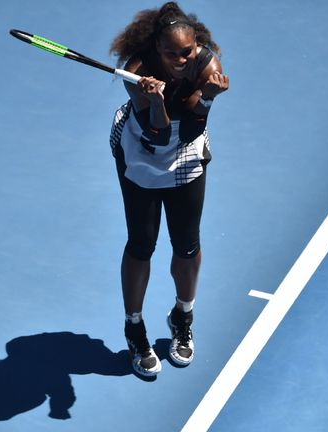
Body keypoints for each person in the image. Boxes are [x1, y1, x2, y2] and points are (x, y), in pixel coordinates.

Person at [108, 2, 229, 378]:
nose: (180, 60)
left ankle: (182, 316)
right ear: (155, 50)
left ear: (196, 46)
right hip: (141, 154)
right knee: (141, 243)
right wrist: (155, 100)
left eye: (187, 52)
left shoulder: (208, 66)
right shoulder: (136, 72)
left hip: (186, 154)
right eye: (170, 53)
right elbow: (157, 135)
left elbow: (190, 130)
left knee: (187, 244)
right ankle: (134, 329)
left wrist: (207, 97)